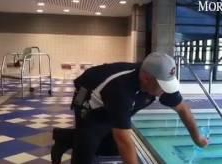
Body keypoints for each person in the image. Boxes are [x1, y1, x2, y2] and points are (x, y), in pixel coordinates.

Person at [51, 52, 208, 164]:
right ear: (146, 78)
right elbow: (123, 139)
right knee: (87, 144)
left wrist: (198, 138)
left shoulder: (156, 83)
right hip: (88, 94)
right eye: (162, 85)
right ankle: (66, 142)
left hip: (114, 100)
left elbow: (183, 109)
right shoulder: (121, 90)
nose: (165, 91)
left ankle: (65, 138)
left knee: (112, 146)